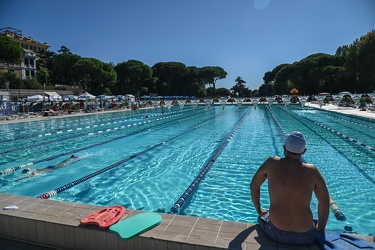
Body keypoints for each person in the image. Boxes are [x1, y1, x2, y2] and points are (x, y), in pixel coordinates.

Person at [250, 131, 330, 247]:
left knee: (262, 217)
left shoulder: (271, 163)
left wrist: (259, 211)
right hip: (306, 237)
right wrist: (321, 229)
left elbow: (254, 185)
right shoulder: (313, 171)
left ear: (284, 148)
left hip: (276, 232)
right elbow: (324, 202)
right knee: (315, 222)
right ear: (304, 151)